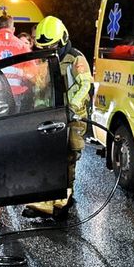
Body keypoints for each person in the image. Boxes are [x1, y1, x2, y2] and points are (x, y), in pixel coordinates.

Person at [22, 16, 92, 220]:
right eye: (44, 47)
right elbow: (40, 89)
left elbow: (85, 86)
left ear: (62, 40)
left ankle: (63, 201)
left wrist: (72, 108)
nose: (47, 50)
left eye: (51, 46)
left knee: (68, 158)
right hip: (51, 117)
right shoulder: (45, 60)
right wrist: (35, 110)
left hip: (72, 117)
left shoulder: (75, 59)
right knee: (46, 156)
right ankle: (44, 201)